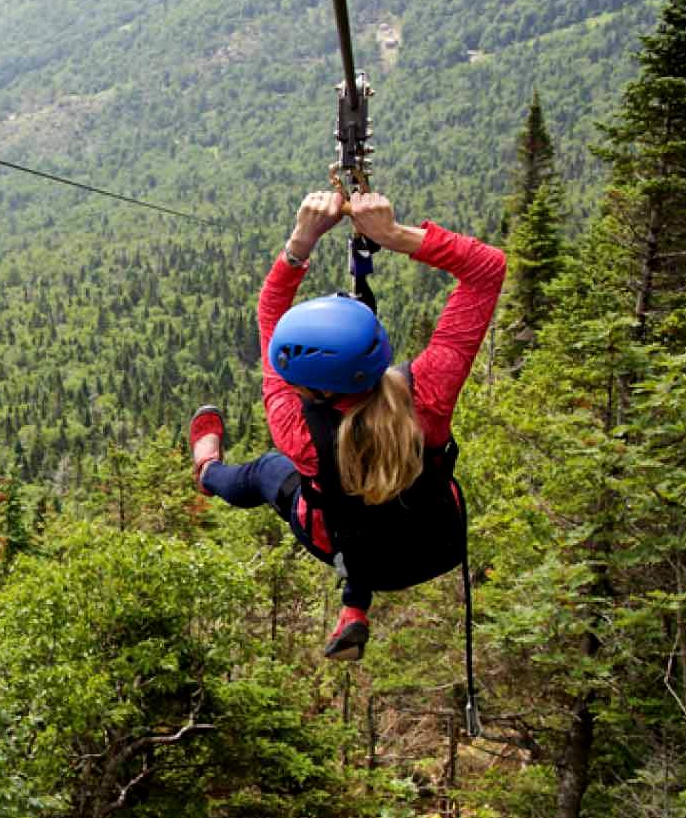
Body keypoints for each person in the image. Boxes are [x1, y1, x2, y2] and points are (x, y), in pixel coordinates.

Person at [189, 190, 506, 660]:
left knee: (265, 474)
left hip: (342, 542)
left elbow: (269, 314)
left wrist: (302, 240)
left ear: (309, 387)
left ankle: (207, 471)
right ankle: (354, 605)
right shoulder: (430, 394)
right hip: (434, 542)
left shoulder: (296, 429)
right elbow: (487, 270)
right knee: (370, 505)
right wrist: (393, 235)